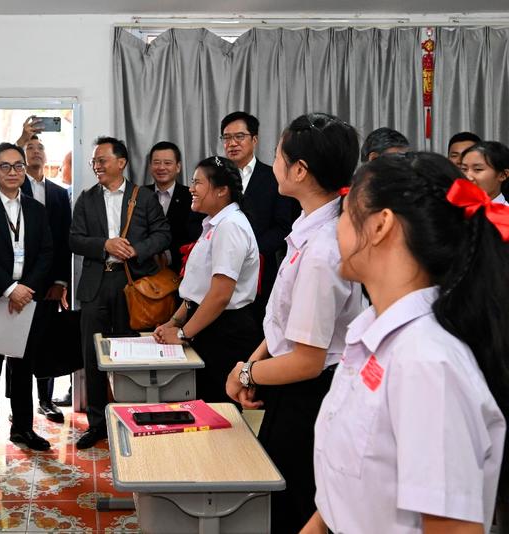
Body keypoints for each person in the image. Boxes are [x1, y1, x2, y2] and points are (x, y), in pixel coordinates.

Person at [300, 152, 508, 534]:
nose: (336, 228)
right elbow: (350, 484)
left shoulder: (427, 363)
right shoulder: (374, 334)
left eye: (345, 214)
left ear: (380, 226)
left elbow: (453, 527)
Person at [225, 113, 366, 534]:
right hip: (290, 386)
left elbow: (307, 360)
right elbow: (282, 325)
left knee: (293, 506)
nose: (274, 162)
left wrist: (246, 372)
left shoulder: (324, 249)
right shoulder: (307, 229)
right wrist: (252, 363)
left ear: (300, 170)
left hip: (311, 395)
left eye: (278, 155)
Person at [70, 136, 170, 449]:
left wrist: (135, 251)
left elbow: (163, 235)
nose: (97, 166)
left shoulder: (144, 198)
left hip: (133, 284)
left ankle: (131, 418)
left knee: (131, 353)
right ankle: (97, 424)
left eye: (102, 160)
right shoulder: (86, 199)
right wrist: (104, 245)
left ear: (121, 162)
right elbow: (74, 240)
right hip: (96, 285)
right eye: (94, 162)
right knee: (93, 355)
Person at [0, 142, 54, 460]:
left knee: (23, 367)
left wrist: (26, 288)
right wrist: (9, 289)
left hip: (26, 300)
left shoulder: (36, 209)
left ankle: (23, 429)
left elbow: (46, 253)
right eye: (6, 166)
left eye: (18, 166)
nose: (13, 172)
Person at [153, 156, 260, 402]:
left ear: (222, 190)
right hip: (205, 323)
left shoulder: (230, 226)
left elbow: (220, 295)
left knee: (216, 411)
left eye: (198, 183)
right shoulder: (215, 225)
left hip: (225, 330)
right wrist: (173, 322)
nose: (191, 188)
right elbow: (198, 291)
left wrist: (182, 335)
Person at [220, 111, 299, 322]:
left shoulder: (274, 176)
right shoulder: (213, 177)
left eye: (239, 136)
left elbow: (283, 225)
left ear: (254, 139)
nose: (232, 143)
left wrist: (251, 252)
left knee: (256, 329)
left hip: (261, 270)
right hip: (219, 267)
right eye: (227, 138)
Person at [19, 133, 71, 424]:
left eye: (40, 147)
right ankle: (19, 403)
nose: (36, 152)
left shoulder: (59, 193)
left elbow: (64, 240)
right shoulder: (14, 186)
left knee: (46, 341)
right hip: (20, 283)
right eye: (30, 148)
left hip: (50, 282)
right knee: (17, 344)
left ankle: (45, 400)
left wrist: (61, 282)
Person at [144, 141, 203, 274]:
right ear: (150, 166)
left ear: (178, 167)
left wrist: (169, 256)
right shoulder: (138, 195)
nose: (161, 167)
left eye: (167, 163)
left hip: (181, 271)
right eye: (157, 162)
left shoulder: (192, 196)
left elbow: (196, 236)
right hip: (143, 272)